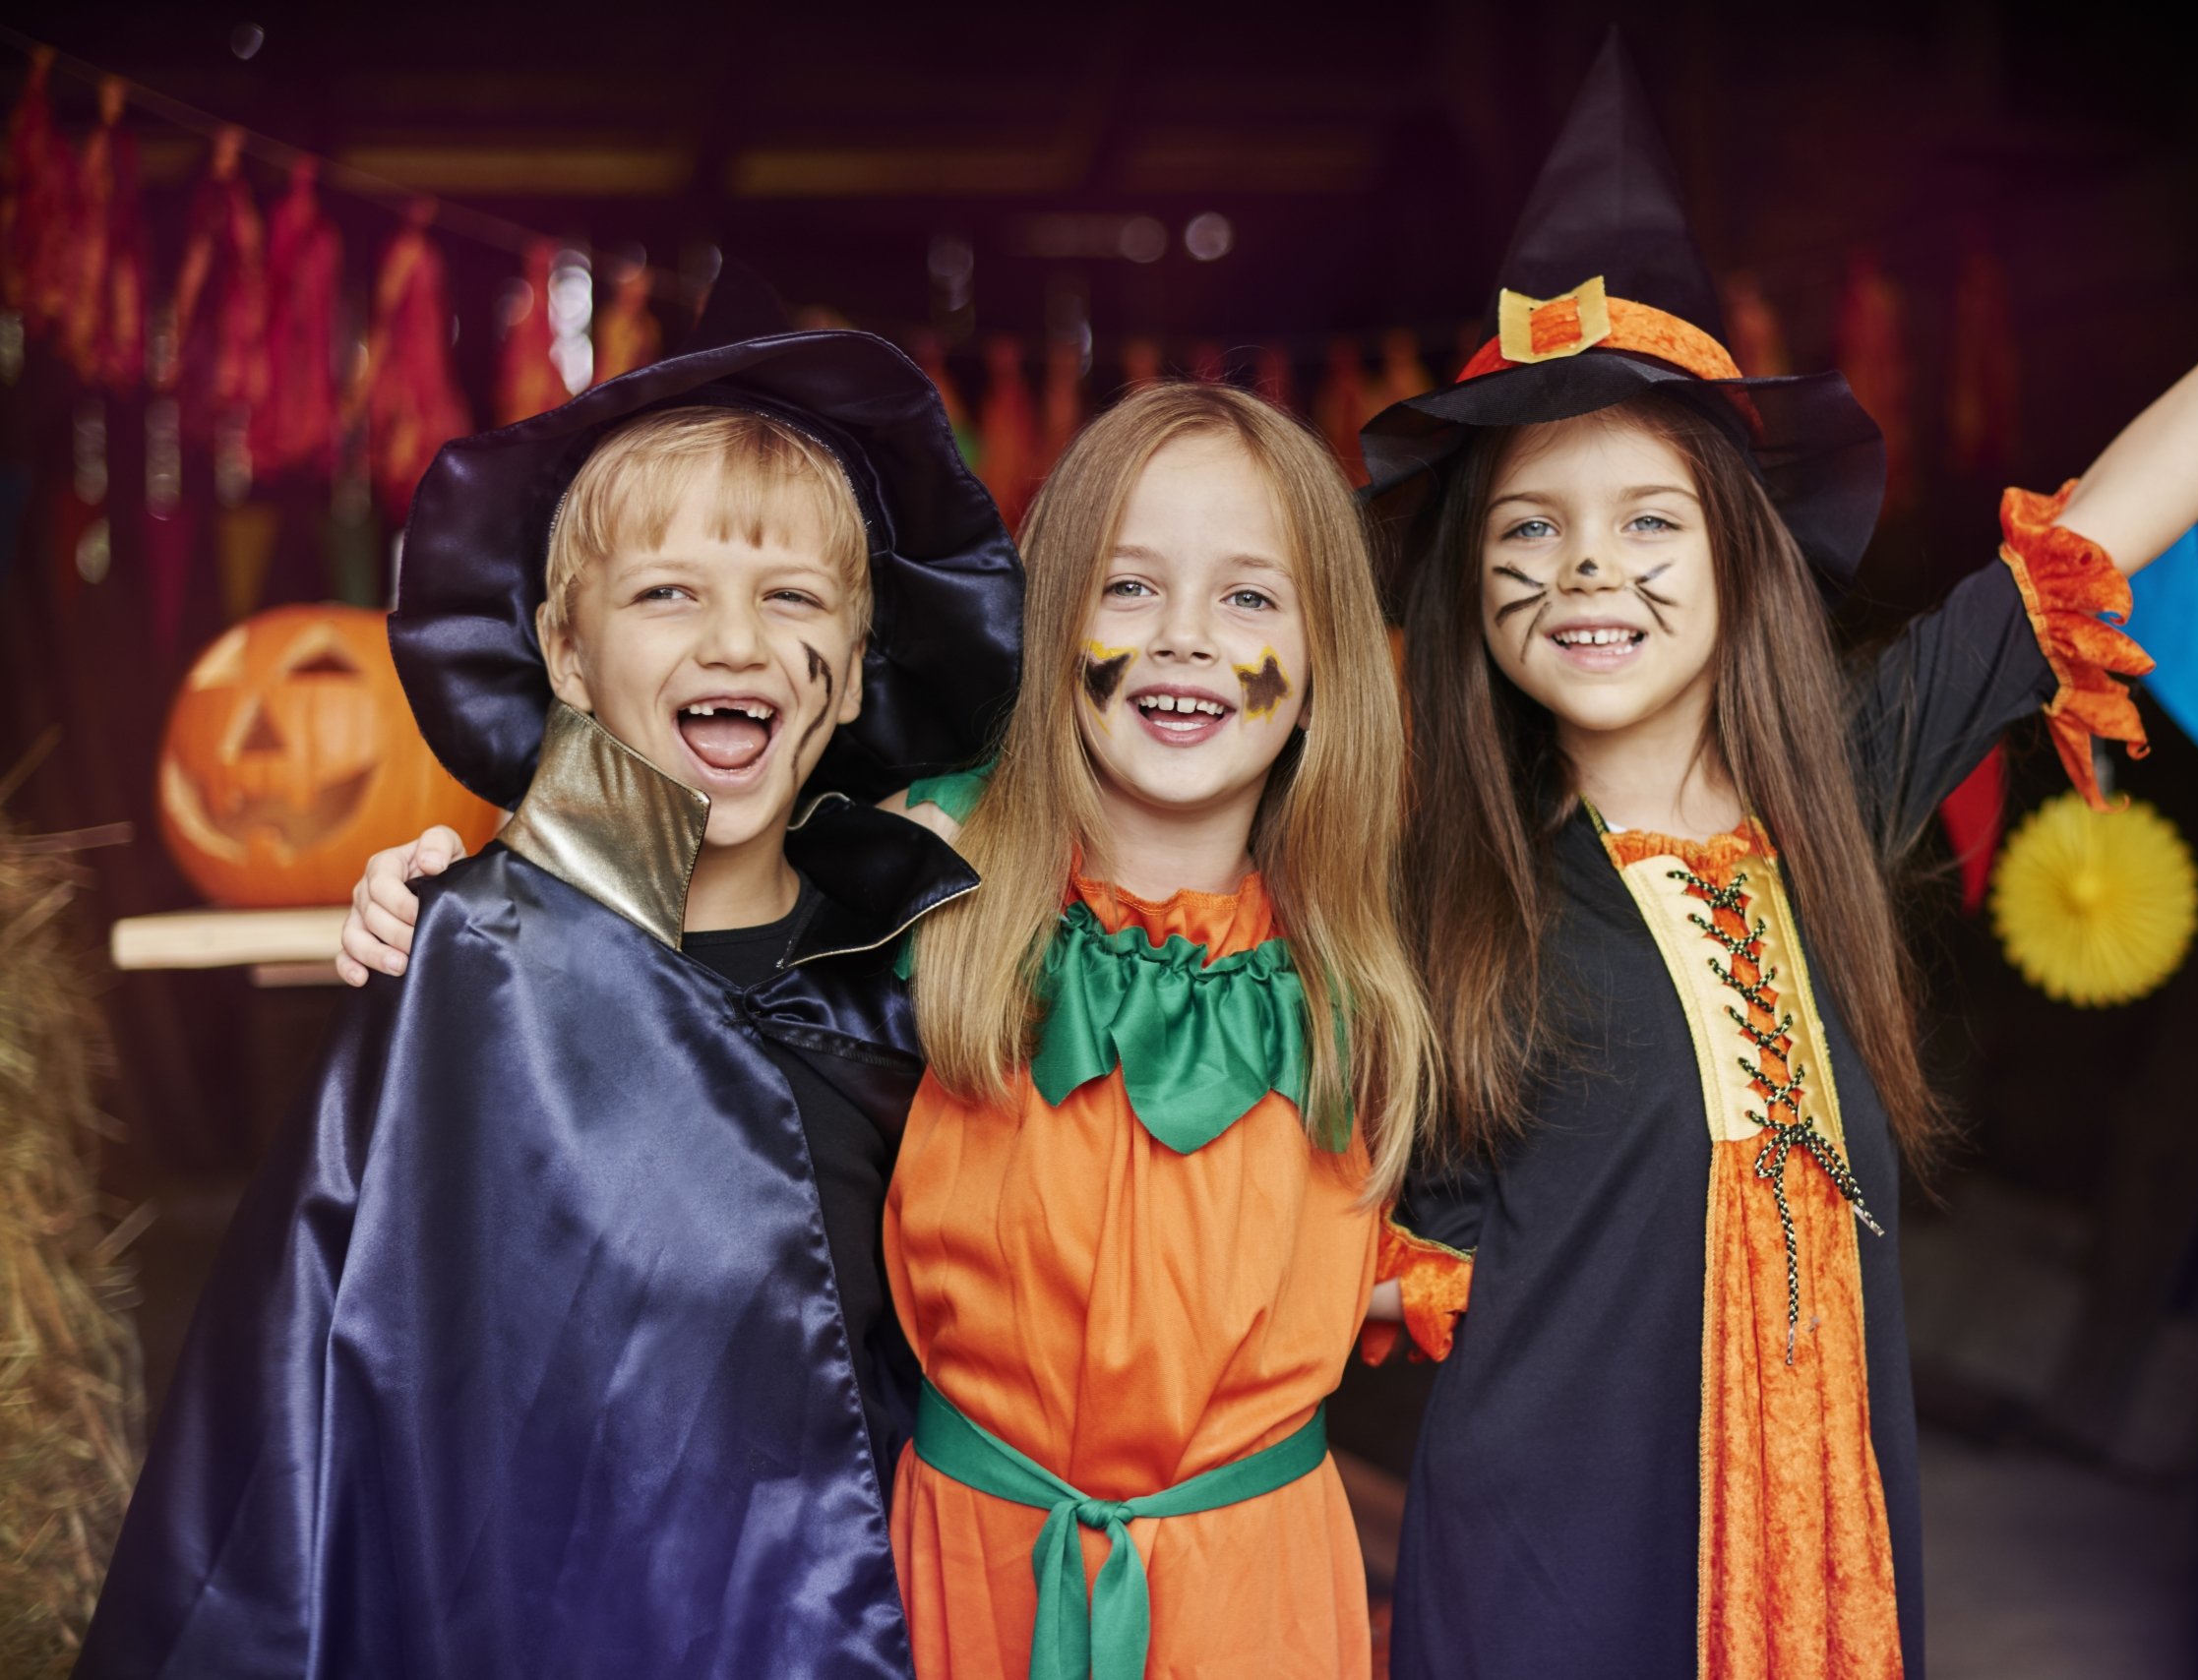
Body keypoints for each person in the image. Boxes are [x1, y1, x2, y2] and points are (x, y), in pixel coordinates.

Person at [1356, 34, 2198, 1680]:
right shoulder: (1440, 898)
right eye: (1531, 528)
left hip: (1823, 1560)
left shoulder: (1835, 792)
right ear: (1473, 594)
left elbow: (2098, 530)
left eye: (1649, 521)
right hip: (1542, 1582)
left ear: (1740, 558)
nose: (1591, 568)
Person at [338, 380, 1435, 1679]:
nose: (1185, 636)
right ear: (1046, 623)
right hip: (950, 1585)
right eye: (1128, 587)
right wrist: (455, 891)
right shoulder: (923, 884)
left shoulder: (1379, 973)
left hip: (1258, 1608)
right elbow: (676, 915)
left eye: (1249, 598)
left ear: (1325, 666)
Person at [82, 297, 1023, 1680]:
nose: (736, 642)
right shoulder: (470, 977)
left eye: (792, 599)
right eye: (668, 593)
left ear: (850, 671)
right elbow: (301, 1409)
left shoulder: (930, 979)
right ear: (566, 654)